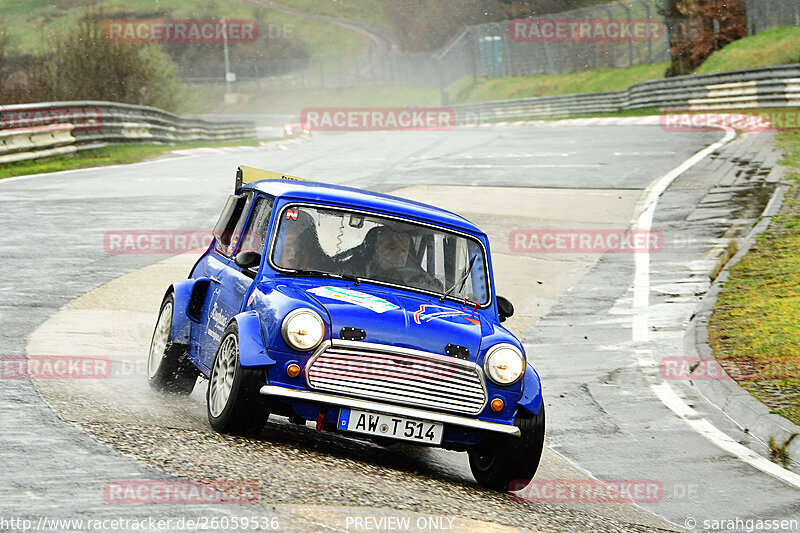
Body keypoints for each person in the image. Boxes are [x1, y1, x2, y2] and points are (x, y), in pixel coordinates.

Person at [365, 227, 442, 292]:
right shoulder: (357, 272)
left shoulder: (422, 281)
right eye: (392, 248)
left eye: (403, 249)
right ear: (378, 248)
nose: (399, 254)